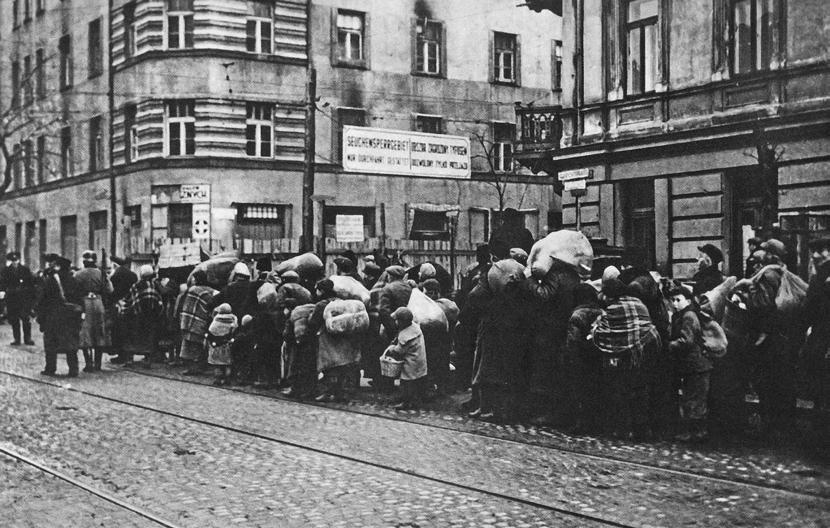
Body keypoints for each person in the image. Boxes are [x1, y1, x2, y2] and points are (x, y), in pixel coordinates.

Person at [592, 270, 661, 439]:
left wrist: (595, 329)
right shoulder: (638, 302)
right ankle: (642, 430)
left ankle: (623, 429)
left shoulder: (614, 307)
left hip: (627, 357)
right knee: (641, 391)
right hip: (646, 350)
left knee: (623, 391)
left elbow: (604, 332)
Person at [668, 285, 711, 442]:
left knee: (695, 399)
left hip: (696, 364)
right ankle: (695, 432)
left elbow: (687, 340)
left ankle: (698, 433)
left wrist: (670, 345)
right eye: (672, 300)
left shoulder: (688, 316)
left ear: (687, 300)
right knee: (691, 398)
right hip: (691, 365)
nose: (674, 303)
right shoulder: (681, 315)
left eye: (678, 300)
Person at [308, 279, 362, 402]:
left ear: (321, 291)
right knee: (341, 365)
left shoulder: (321, 305)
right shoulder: (341, 302)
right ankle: (340, 393)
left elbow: (313, 323)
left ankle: (328, 392)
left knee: (329, 366)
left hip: (328, 339)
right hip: (344, 338)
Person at [562, 283, 603, 433]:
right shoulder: (600, 312)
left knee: (580, 391)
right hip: (597, 356)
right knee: (595, 390)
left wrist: (568, 359)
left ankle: (581, 424)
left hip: (581, 359)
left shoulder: (577, 316)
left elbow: (572, 341)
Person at [37, 255, 83, 377]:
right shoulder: (74, 280)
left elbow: (43, 301)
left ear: (58, 267)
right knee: (71, 343)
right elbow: (80, 300)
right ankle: (73, 369)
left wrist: (41, 319)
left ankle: (50, 368)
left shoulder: (51, 280)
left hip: (54, 316)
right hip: (70, 317)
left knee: (51, 343)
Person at [799, 237, 830, 416]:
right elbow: (809, 310)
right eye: (814, 252)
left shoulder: (821, 277)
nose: (816, 255)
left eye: (822, 251)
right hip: (820, 336)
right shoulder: (818, 276)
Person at [75, 250, 113, 372]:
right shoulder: (101, 274)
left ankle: (88, 363)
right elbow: (110, 290)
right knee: (99, 331)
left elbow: (73, 290)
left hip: (84, 303)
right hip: (98, 303)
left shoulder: (78, 274)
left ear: (84, 261)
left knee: (85, 333)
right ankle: (98, 364)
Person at [122, 265, 164, 367]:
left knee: (134, 336)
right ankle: (148, 359)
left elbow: (130, 299)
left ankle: (129, 360)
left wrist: (127, 310)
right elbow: (160, 299)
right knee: (149, 337)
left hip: (138, 315)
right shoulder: (156, 285)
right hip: (152, 315)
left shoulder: (137, 285)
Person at [387, 307, 427, 410]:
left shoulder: (405, 336)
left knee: (406, 383)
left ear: (401, 322)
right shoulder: (415, 327)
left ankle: (406, 402)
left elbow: (399, 351)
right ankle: (415, 400)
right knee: (416, 381)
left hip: (410, 362)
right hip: (419, 359)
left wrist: (391, 349)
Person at [179, 270, 217, 375]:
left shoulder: (193, 290)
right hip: (203, 321)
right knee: (201, 345)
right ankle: (201, 367)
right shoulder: (211, 291)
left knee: (190, 346)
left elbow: (187, 307)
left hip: (191, 322)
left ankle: (191, 368)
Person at [0, 251, 36, 346]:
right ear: (10, 261)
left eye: (16, 260)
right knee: (14, 319)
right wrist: (3, 292)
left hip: (23, 298)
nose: (14, 262)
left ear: (19, 260)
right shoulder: (6, 271)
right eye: (13, 260)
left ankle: (27, 338)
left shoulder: (25, 270)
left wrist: (30, 296)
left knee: (25, 319)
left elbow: (30, 283)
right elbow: (3, 283)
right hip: (12, 298)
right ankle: (17, 339)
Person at [109, 256, 138, 364]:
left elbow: (111, 290)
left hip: (117, 305)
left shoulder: (116, 274)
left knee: (118, 331)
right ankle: (129, 355)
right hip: (130, 304)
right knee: (130, 331)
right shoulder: (133, 275)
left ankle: (121, 354)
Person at [207, 303, 237, 386]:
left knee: (217, 364)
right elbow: (235, 329)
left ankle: (217, 379)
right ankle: (227, 379)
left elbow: (211, 330)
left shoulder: (216, 319)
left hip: (216, 345)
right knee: (227, 363)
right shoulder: (233, 319)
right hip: (227, 345)